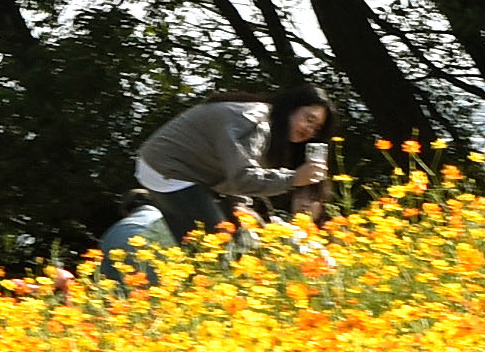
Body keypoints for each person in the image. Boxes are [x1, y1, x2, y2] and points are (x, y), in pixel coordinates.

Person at [101, 90, 334, 256]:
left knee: (236, 239)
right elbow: (243, 177)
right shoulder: (255, 123)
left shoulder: (268, 126)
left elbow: (232, 170)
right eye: (308, 119)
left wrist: (240, 205)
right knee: (216, 250)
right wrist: (294, 178)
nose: (309, 130)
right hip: (167, 169)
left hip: (192, 174)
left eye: (316, 128)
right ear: (291, 108)